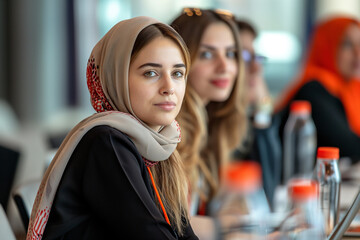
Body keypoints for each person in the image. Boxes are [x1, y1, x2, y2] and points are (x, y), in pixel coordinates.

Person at [26, 16, 198, 240]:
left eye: (177, 73)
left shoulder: (159, 146)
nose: (169, 88)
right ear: (115, 78)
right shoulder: (106, 142)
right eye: (151, 73)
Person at [170, 8, 248, 238]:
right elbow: (166, 225)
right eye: (206, 54)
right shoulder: (165, 131)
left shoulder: (211, 123)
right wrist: (225, 227)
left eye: (231, 54)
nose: (225, 67)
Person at [275, 16, 360, 163]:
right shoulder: (313, 91)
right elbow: (350, 147)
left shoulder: (352, 89)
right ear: (326, 47)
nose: (357, 53)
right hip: (297, 182)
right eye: (347, 44)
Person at [234, 18, 281, 207]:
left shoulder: (244, 119)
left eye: (257, 57)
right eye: (244, 57)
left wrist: (263, 108)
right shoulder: (215, 128)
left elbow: (268, 194)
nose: (256, 67)